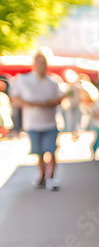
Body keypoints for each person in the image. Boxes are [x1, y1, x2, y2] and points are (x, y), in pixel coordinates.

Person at [10, 53, 66, 190]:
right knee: (39, 152)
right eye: (40, 63)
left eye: (44, 63)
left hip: (50, 123)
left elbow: (59, 100)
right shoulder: (22, 79)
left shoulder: (52, 82)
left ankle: (50, 178)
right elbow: (15, 99)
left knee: (51, 151)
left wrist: (50, 103)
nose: (43, 66)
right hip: (32, 124)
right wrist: (34, 104)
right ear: (34, 64)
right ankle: (42, 176)